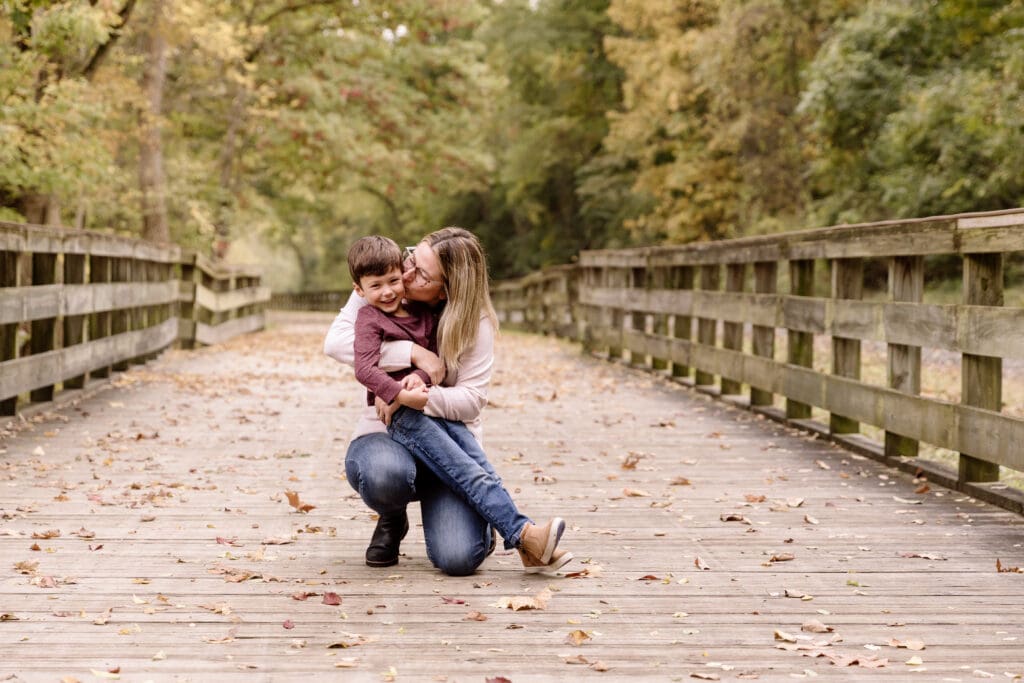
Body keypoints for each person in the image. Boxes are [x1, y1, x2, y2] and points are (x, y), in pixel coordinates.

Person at [326, 227, 572, 576]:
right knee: (384, 474)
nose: (406, 274)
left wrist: (417, 395)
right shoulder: (382, 281)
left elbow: (470, 401)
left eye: (420, 273)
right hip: (385, 433)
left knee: (458, 559)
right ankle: (514, 531)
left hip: (447, 434)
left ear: (446, 291)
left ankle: (510, 531)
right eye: (411, 259)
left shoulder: (469, 320)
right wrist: (413, 357)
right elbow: (336, 343)